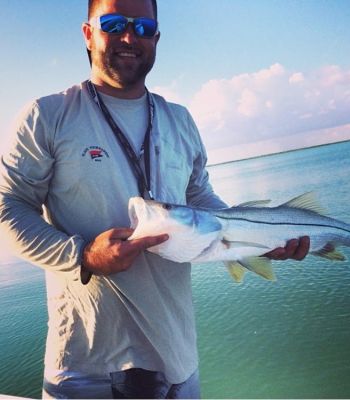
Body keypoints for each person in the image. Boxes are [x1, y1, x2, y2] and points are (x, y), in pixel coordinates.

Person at [0, 0, 310, 398]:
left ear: (157, 39)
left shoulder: (180, 119)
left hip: (180, 365)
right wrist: (82, 256)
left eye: (143, 29)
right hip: (88, 368)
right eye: (114, 24)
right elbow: (8, 207)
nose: (130, 37)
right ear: (88, 33)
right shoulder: (47, 115)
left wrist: (256, 242)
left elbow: (201, 199)